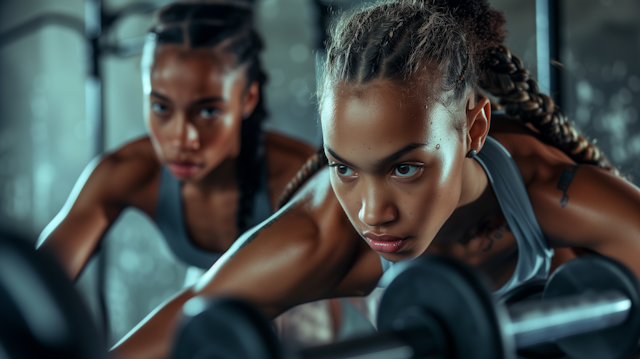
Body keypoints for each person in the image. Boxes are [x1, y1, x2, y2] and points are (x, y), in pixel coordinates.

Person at [103, 0, 640, 358]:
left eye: (405, 167)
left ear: (474, 127)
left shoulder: (546, 189)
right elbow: (180, 323)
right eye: (344, 168)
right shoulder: (321, 239)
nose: (371, 212)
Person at [36, 0, 316, 329]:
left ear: (248, 99)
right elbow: (36, 283)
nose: (181, 138)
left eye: (208, 111)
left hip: (304, 306)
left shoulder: (303, 175)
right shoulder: (128, 171)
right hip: (209, 304)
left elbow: (368, 276)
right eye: (161, 108)